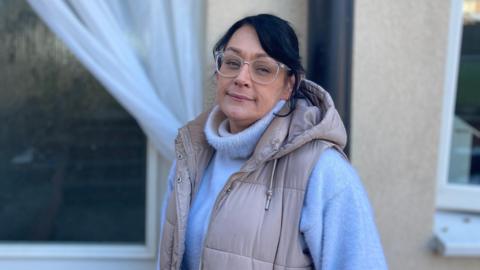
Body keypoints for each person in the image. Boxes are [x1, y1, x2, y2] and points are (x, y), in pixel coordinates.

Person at [157, 14, 387, 270]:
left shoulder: (323, 171)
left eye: (263, 69)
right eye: (232, 62)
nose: (241, 78)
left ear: (289, 85)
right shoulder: (190, 158)